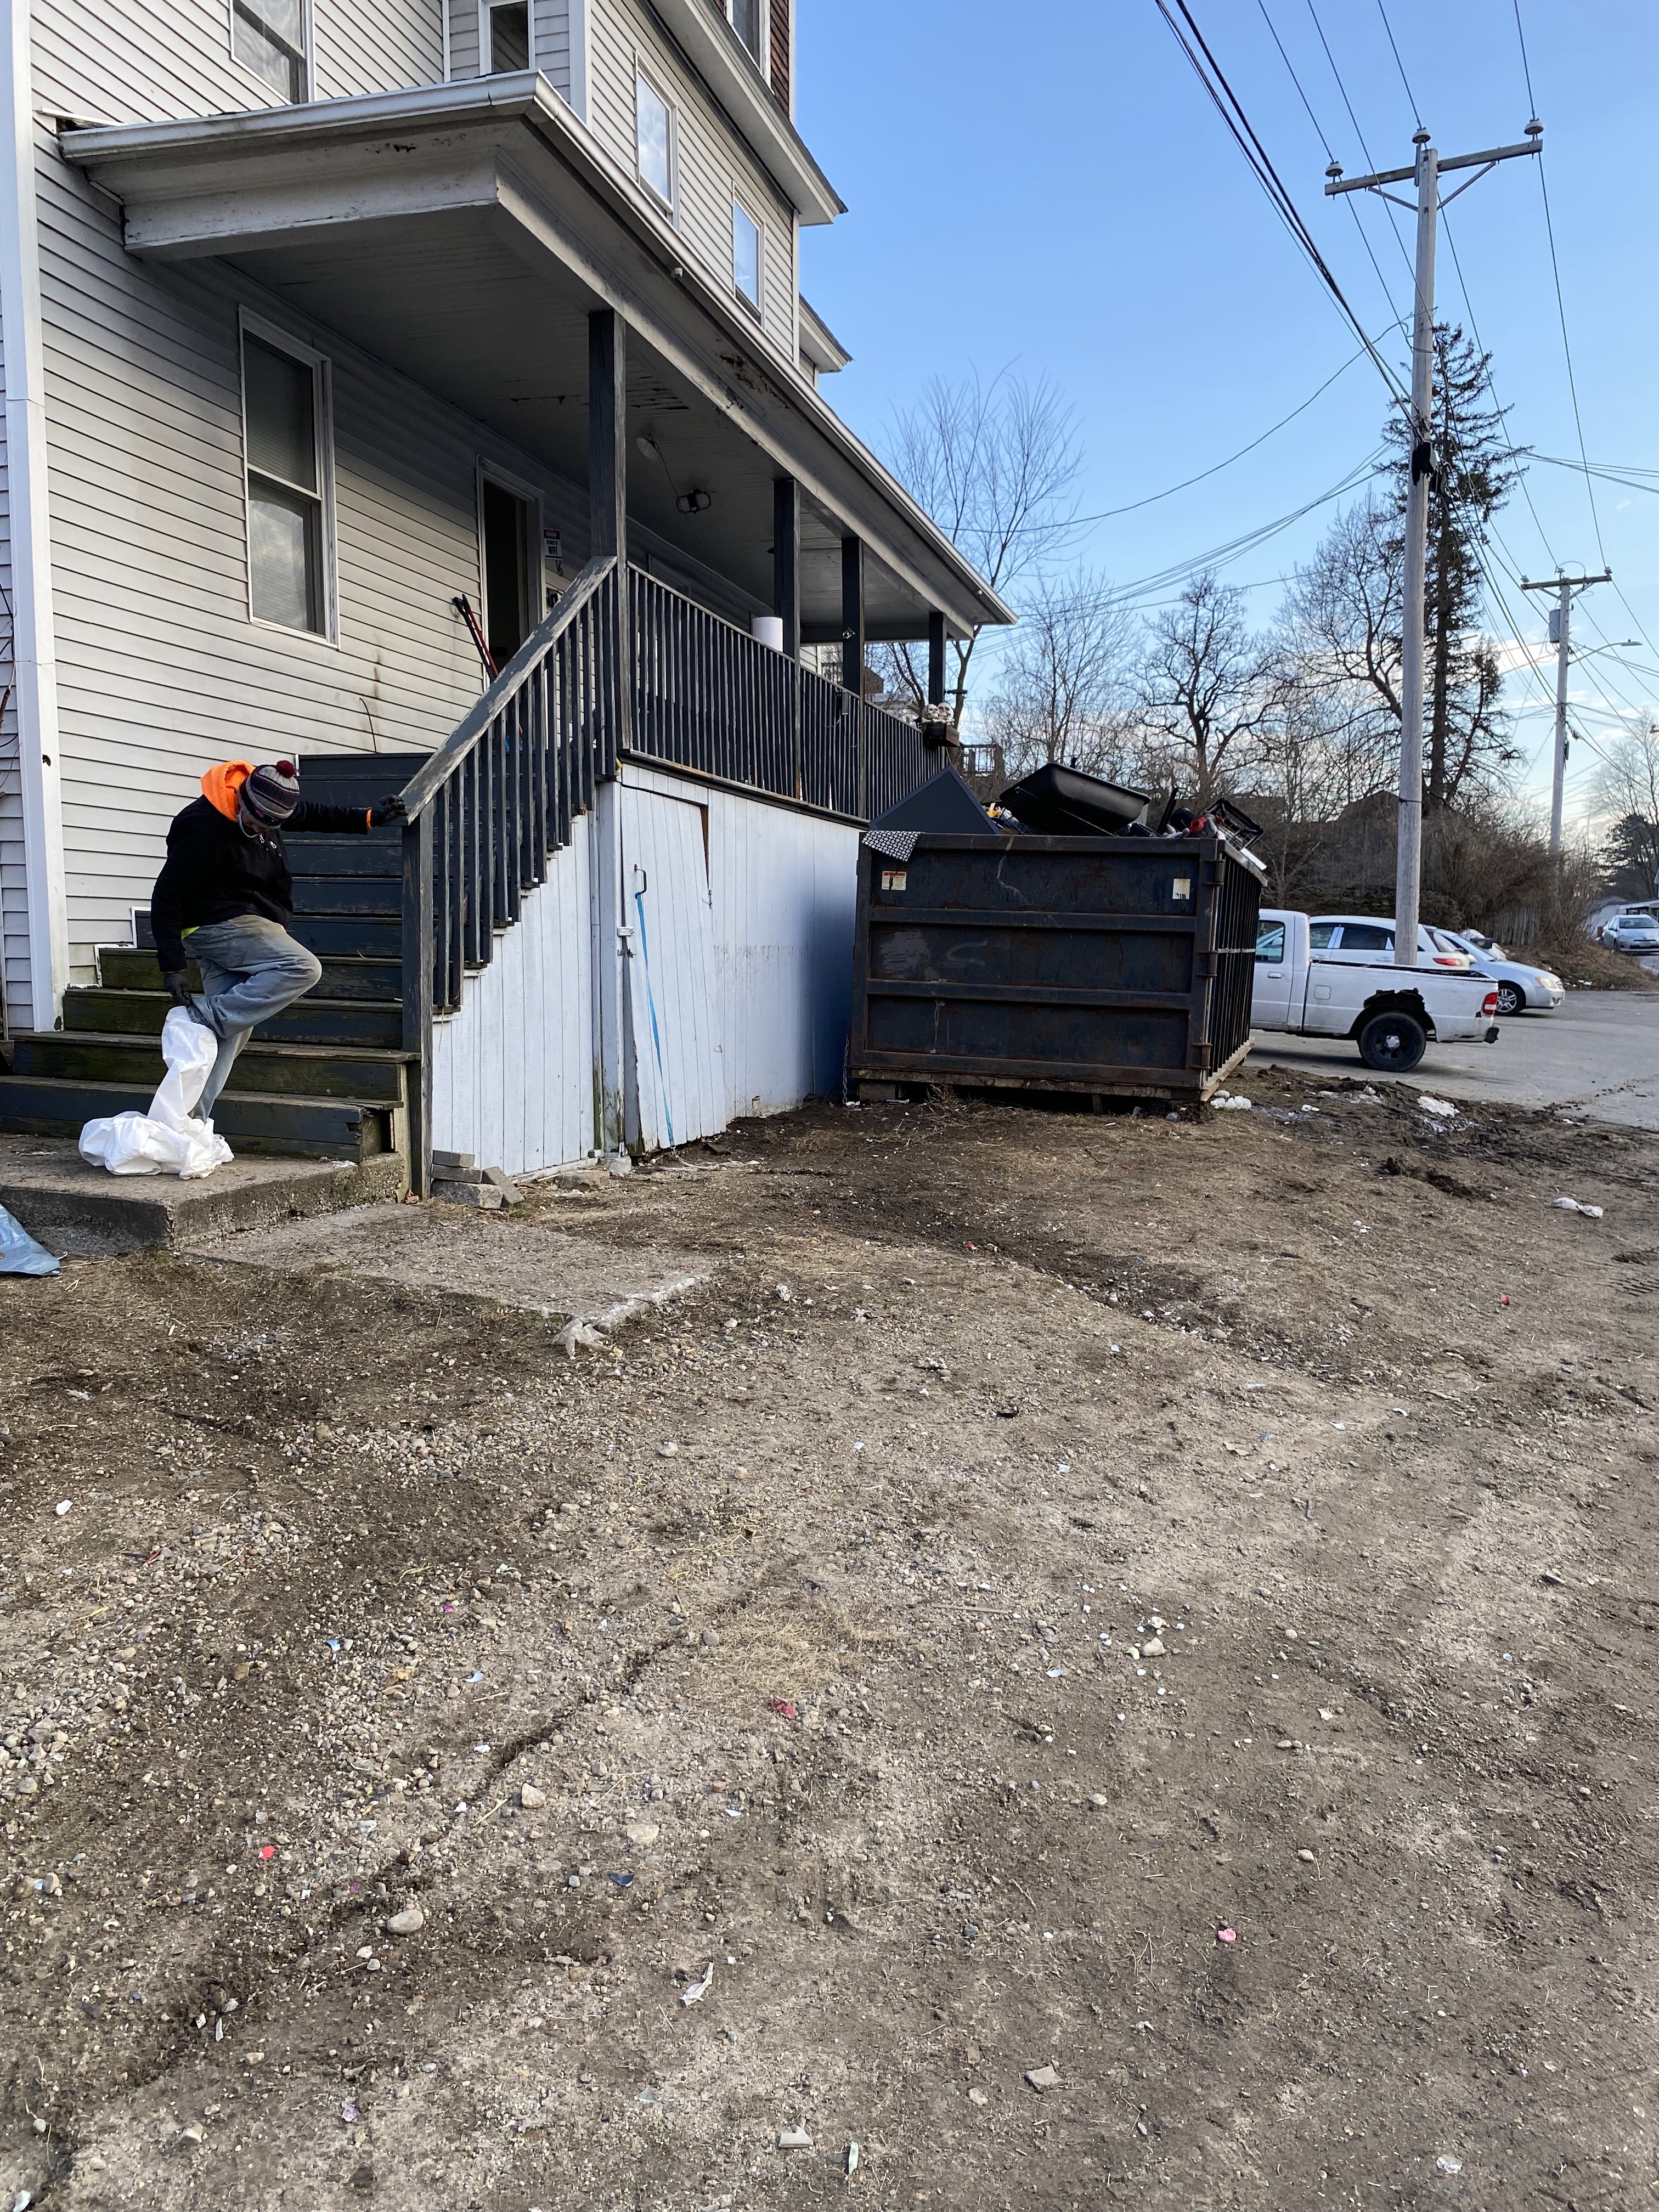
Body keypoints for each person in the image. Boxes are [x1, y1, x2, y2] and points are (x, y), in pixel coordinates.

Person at [150, 758, 405, 1121]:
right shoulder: (203, 827)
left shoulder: (269, 803)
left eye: (270, 826)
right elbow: (167, 896)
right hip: (217, 923)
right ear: (244, 801)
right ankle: (204, 1014)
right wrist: (173, 967)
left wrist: (367, 817)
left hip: (246, 917)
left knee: (232, 1031)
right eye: (256, 823)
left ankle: (184, 1124)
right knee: (302, 967)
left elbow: (313, 814)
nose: (260, 830)